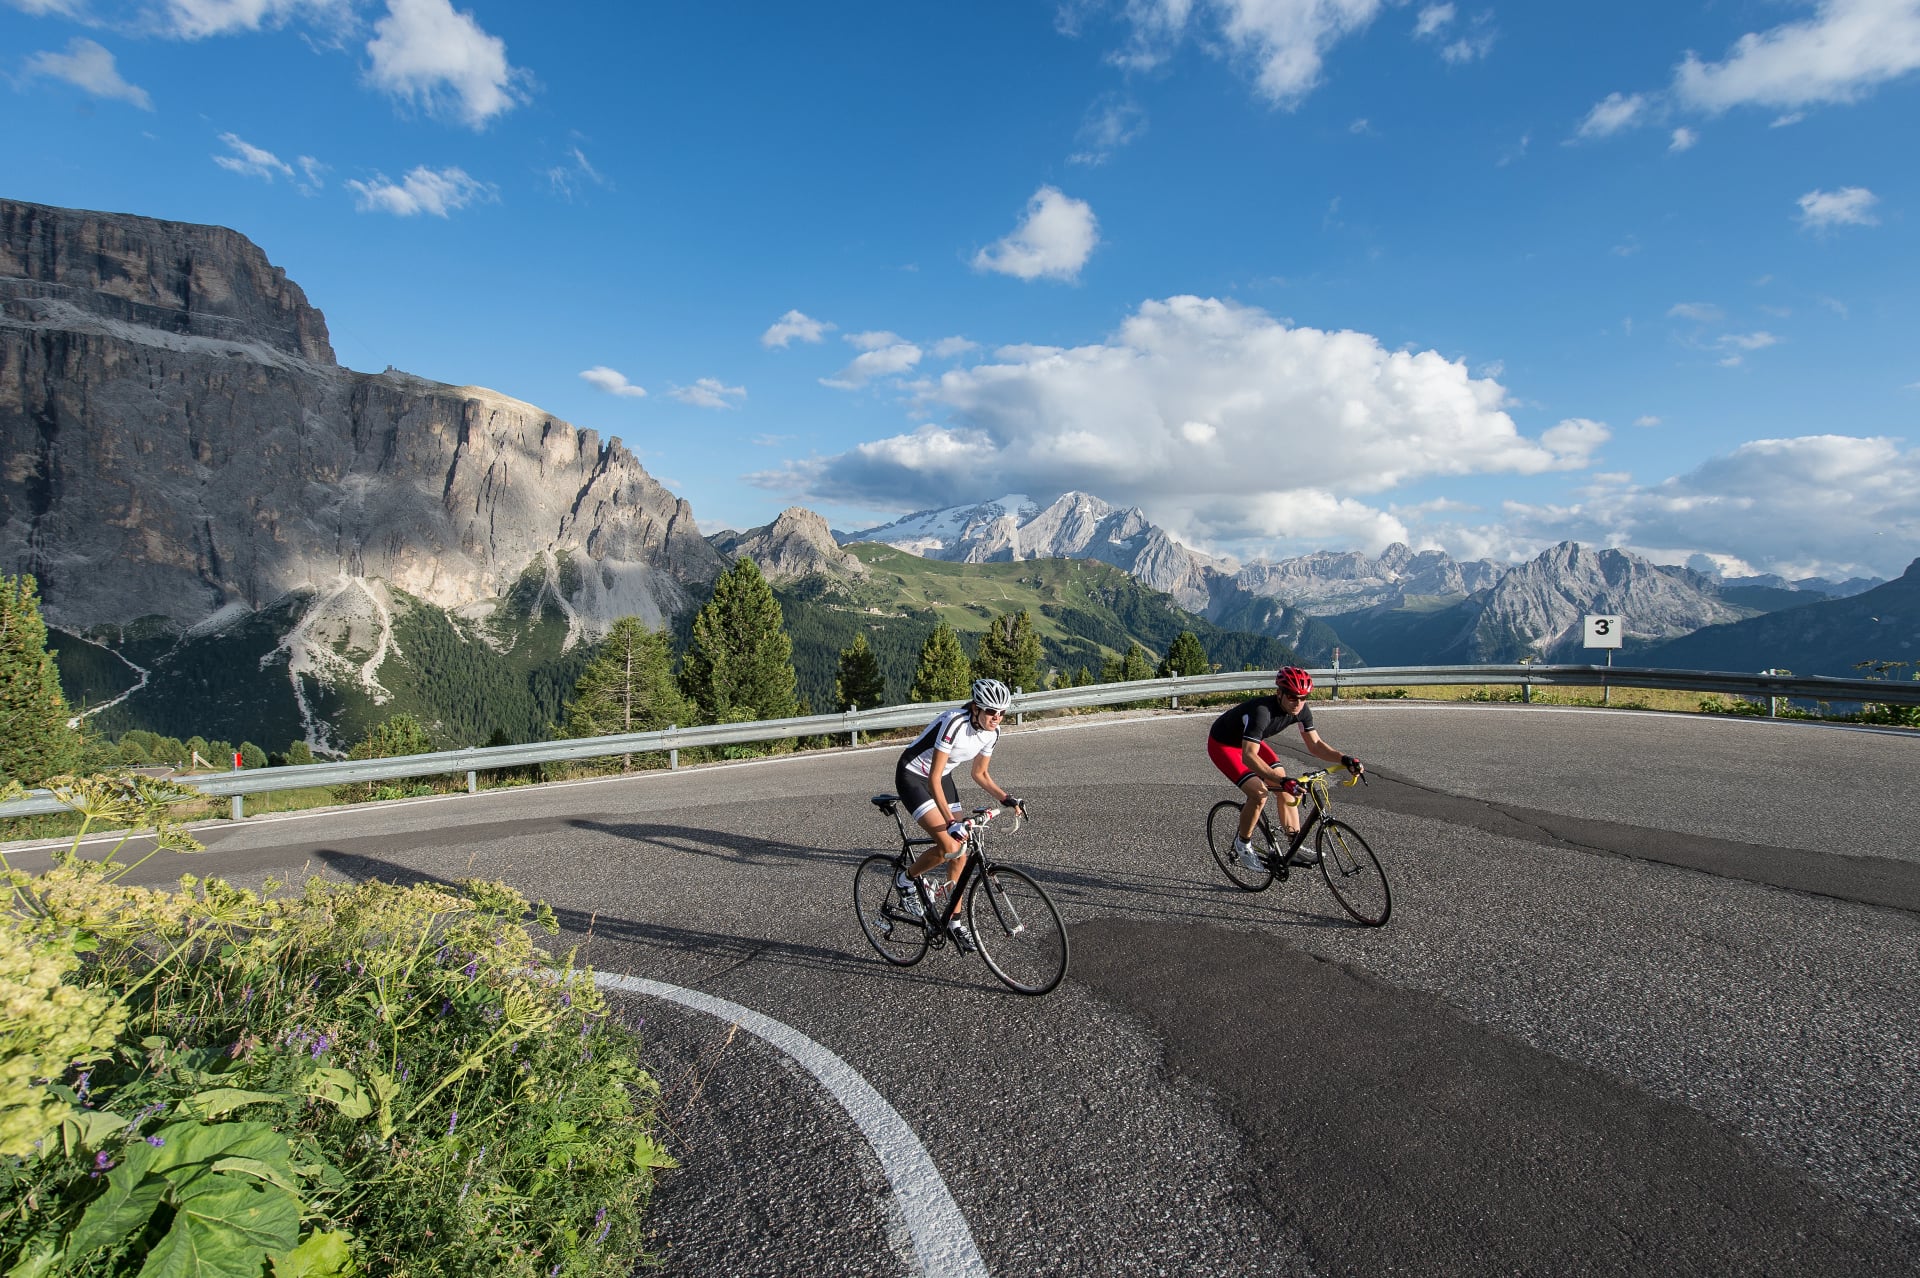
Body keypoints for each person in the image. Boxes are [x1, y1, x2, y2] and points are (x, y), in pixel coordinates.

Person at [893, 677, 1025, 950]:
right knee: (950, 845)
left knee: (962, 851)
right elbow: (932, 778)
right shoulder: (954, 722)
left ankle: (954, 923)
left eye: (1002, 712)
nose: (997, 717)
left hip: (942, 778)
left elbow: (980, 773)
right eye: (991, 711)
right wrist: (951, 822)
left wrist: (1006, 798)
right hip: (914, 776)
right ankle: (906, 879)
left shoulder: (992, 733)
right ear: (976, 708)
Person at [1206, 666, 1363, 872]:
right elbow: (1249, 756)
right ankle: (1242, 844)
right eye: (1292, 697)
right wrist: (1282, 781)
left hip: (1249, 743)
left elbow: (1315, 744)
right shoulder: (1262, 712)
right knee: (1259, 793)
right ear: (1279, 693)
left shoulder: (1301, 710)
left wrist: (1344, 759)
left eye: (1304, 697)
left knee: (1289, 788)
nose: (1298, 703)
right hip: (1224, 746)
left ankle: (1294, 845)